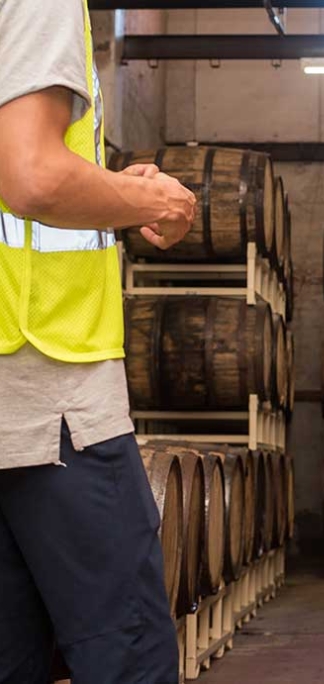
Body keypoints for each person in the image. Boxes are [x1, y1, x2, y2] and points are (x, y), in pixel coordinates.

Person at [0, 1, 197, 682]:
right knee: (128, 651)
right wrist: (152, 202)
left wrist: (109, 189)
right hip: (45, 381)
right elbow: (32, 176)